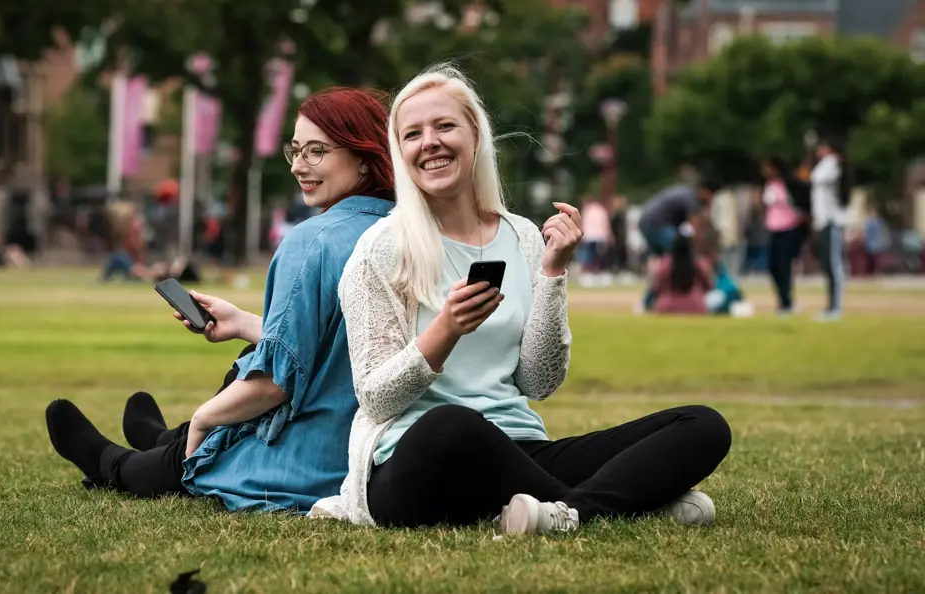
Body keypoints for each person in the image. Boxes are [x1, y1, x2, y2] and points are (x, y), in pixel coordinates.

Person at [309, 65, 731, 534]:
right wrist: (445, 330)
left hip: (519, 449)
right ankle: (625, 505)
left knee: (702, 425)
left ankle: (570, 512)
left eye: (445, 126)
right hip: (417, 461)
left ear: (475, 136)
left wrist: (553, 272)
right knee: (454, 424)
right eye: (413, 134)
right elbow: (375, 398)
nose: (430, 142)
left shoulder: (523, 236)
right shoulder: (380, 250)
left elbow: (539, 380)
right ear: (400, 151)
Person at [45, 87, 397, 513]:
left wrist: (204, 418)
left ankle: (112, 463)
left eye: (317, 151)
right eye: (296, 150)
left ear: (364, 155)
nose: (299, 166)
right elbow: (336, 348)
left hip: (302, 465)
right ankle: (161, 439)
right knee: (251, 353)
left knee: (200, 447)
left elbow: (276, 383)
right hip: (366, 455)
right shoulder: (405, 231)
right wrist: (246, 322)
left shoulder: (311, 241)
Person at [638, 179, 720, 310]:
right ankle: (649, 301)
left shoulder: (686, 194)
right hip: (656, 225)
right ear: (704, 191)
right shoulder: (691, 199)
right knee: (677, 258)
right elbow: (696, 228)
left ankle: (650, 300)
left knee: (666, 264)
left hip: (648, 223)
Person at [810, 139, 848, 321]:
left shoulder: (833, 165)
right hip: (823, 220)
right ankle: (831, 305)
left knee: (833, 264)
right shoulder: (825, 165)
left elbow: (817, 177)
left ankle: (835, 306)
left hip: (831, 220)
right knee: (827, 264)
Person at [761, 157, 805, 315]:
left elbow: (800, 203)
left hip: (788, 227)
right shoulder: (769, 186)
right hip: (774, 229)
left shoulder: (788, 185)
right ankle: (781, 297)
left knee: (784, 265)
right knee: (773, 266)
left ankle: (787, 301)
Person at [650, 230, 713, 315]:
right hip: (695, 306)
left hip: (668, 306)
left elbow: (657, 286)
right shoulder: (698, 264)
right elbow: (708, 286)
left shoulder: (666, 265)